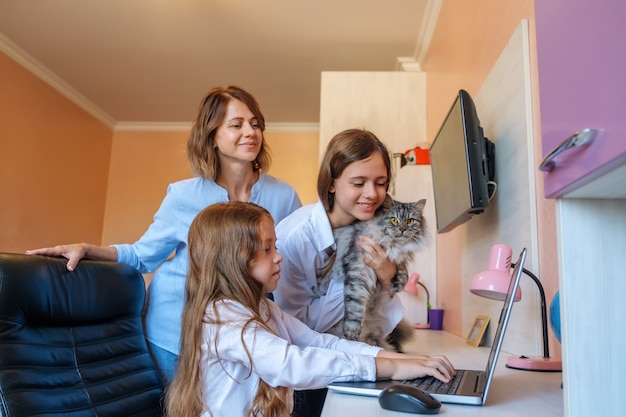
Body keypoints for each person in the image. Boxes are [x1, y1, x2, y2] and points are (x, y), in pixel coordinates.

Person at [26, 85, 302, 385]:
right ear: (212, 137)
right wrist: (89, 249)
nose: (250, 131)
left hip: (245, 333)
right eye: (236, 125)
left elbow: (293, 266)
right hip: (176, 331)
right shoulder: (183, 195)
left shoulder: (283, 196)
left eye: (255, 124)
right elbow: (142, 256)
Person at [165, 201, 455, 417]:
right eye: (267, 249)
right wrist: (389, 367)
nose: (279, 257)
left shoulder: (263, 308)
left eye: (275, 246)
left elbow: (319, 342)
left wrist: (399, 359)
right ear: (233, 260)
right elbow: (291, 363)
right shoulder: (223, 320)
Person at [272, 128, 406, 416]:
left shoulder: (374, 228)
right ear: (331, 183)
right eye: (359, 183)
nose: (372, 194)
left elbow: (384, 319)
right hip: (310, 371)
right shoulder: (295, 237)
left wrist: (387, 277)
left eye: (381, 183)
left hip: (356, 354)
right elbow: (294, 328)